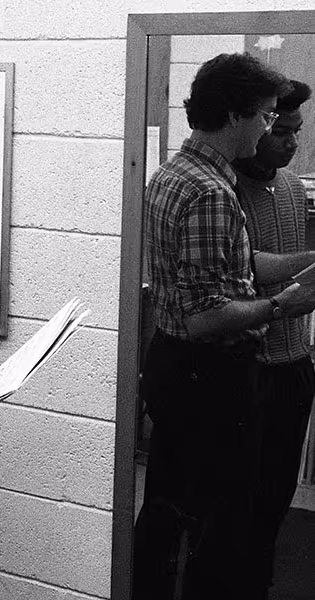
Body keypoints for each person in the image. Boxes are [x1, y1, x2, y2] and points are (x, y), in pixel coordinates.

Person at [132, 53, 315, 600]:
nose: (268, 127)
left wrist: (304, 263)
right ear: (235, 114)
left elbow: (231, 266)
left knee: (167, 511)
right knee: (220, 529)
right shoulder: (213, 191)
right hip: (210, 376)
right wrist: (285, 305)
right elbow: (207, 316)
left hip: (173, 364)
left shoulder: (175, 173)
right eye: (265, 115)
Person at [232, 79, 315, 599]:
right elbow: (243, 270)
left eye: (296, 131)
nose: (291, 143)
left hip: (295, 362)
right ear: (256, 126)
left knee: (276, 497)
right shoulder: (226, 190)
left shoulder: (291, 188)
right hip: (252, 365)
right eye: (281, 131)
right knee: (238, 498)